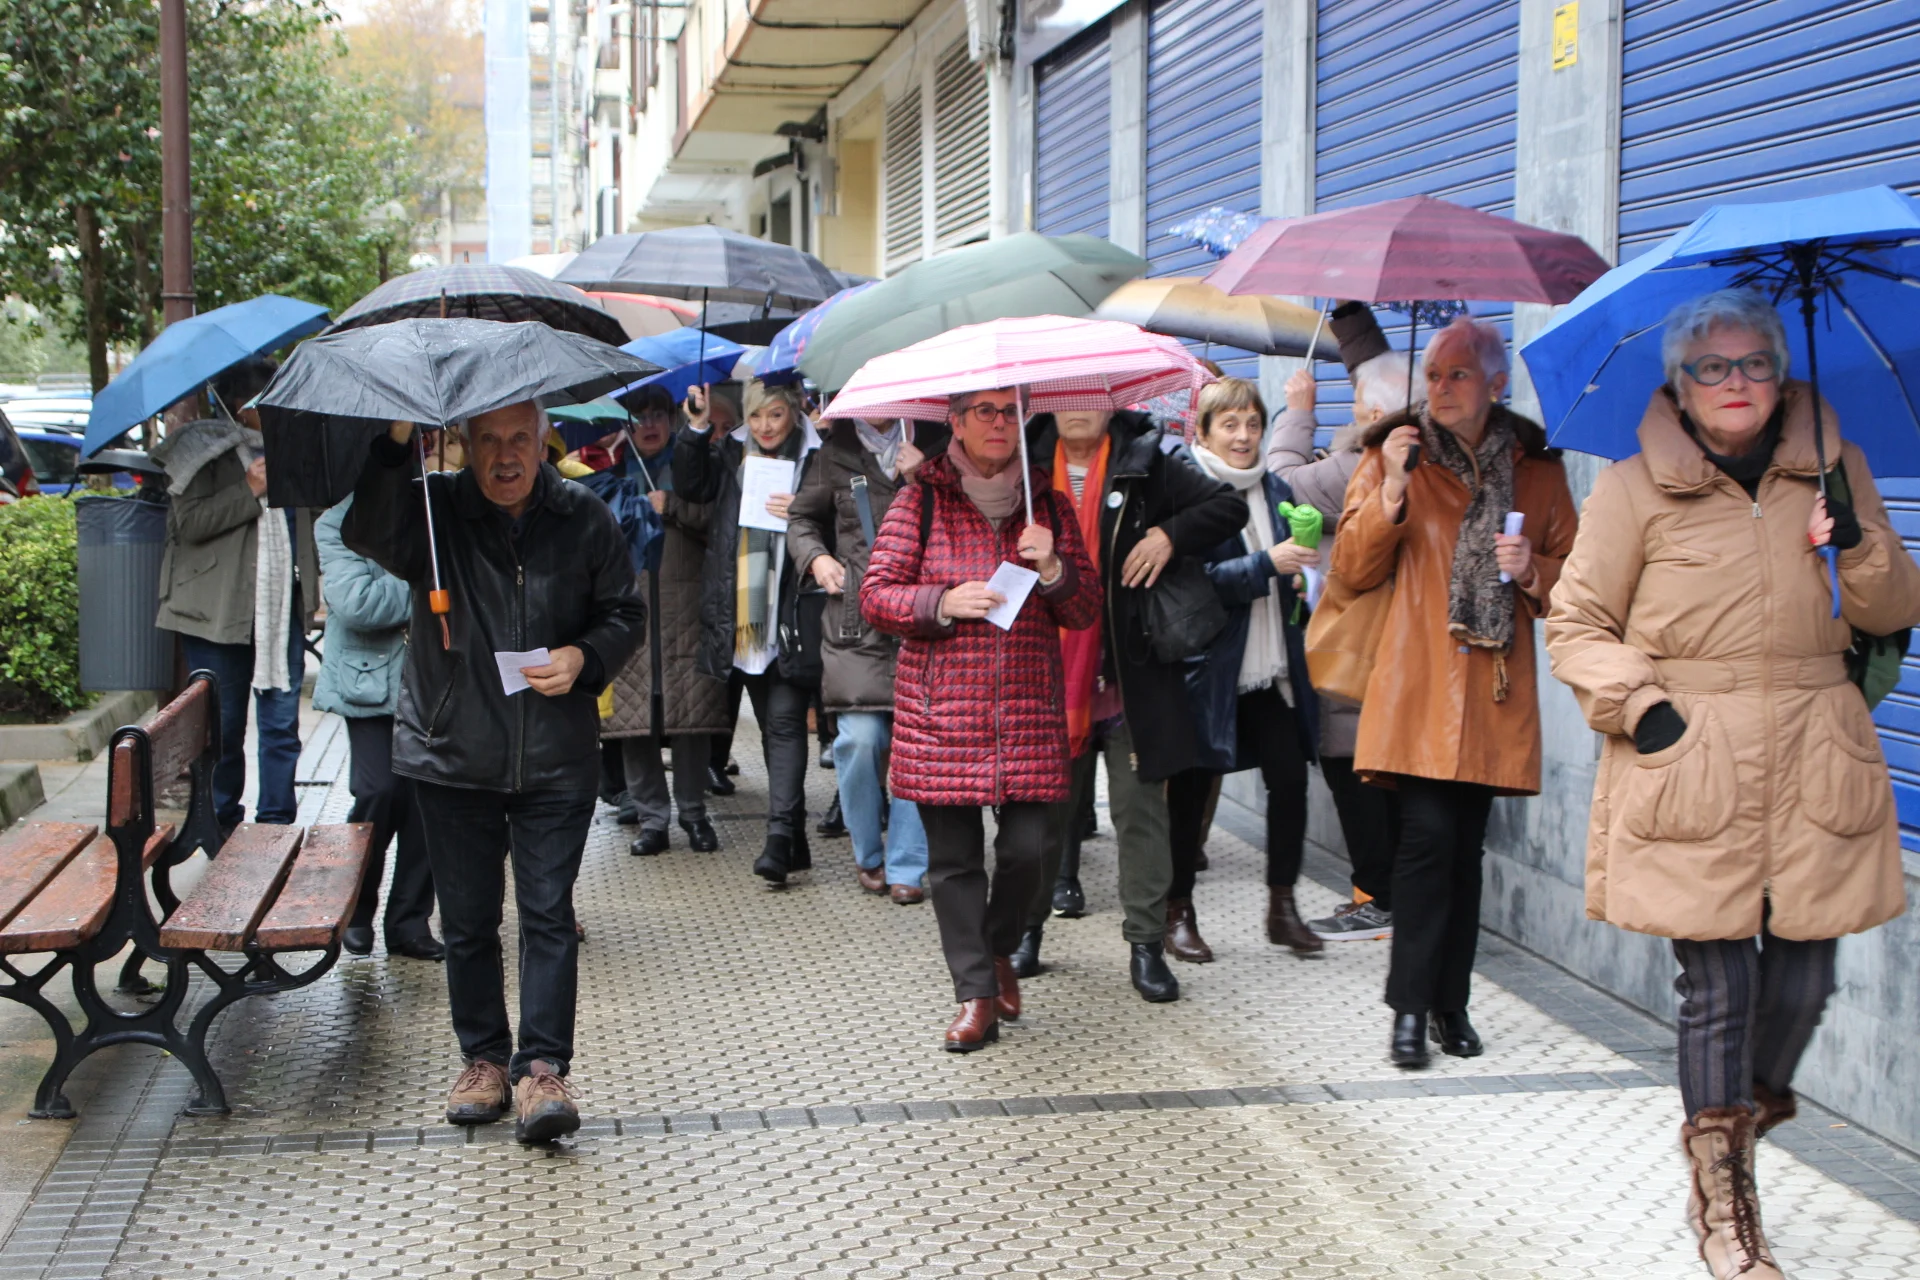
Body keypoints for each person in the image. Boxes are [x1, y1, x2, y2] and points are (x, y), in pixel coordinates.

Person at [1545, 289, 1920, 1280]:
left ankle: (1732, 1128)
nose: (1736, 382)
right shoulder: (1632, 489)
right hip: (1693, 761)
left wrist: (1855, 541)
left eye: (1754, 362)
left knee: (1803, 981)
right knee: (1719, 986)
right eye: (1712, 367)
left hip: (1814, 754)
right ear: (1680, 384)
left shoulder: (1836, 468)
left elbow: (1893, 609)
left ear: (1782, 375)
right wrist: (1644, 709)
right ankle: (1728, 1211)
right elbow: (1576, 624)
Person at [344, 402, 645, 1145]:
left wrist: (584, 657)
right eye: (488, 441)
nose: (505, 456)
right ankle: (482, 1061)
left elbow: (625, 613)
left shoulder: (583, 514)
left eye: (518, 438)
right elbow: (367, 530)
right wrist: (395, 437)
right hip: (452, 752)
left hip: (557, 755)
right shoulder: (434, 510)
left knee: (548, 915)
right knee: (468, 920)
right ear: (463, 444)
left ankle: (541, 1069)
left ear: (542, 440)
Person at [1333, 316, 1577, 1070]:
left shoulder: (1537, 471)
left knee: (1465, 851)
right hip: (1415, 684)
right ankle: (1410, 1011)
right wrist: (1393, 488)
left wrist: (1534, 569)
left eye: (1458, 374)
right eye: (1434, 374)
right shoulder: (1393, 454)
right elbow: (1350, 567)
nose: (1440, 387)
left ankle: (1450, 1004)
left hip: (1492, 688)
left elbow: (1581, 581)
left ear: (1496, 384)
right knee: (1426, 841)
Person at [861, 387, 1100, 1051]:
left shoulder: (1048, 504)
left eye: (1009, 412)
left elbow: (1084, 610)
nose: (999, 423)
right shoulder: (921, 500)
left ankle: (998, 950)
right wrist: (941, 602)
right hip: (941, 712)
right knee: (954, 863)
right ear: (957, 422)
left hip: (1026, 712)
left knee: (1032, 849)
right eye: (984, 412)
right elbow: (876, 596)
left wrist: (1052, 566)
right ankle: (975, 994)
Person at [1012, 404, 1246, 1000]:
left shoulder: (1146, 462)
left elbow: (1229, 507)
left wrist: (1170, 535)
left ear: (1111, 398)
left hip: (1130, 668)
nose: (1078, 409)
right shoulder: (1022, 465)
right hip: (1045, 672)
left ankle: (1146, 945)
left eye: (1090, 395)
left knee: (1141, 815)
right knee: (1042, 820)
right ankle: (1027, 931)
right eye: (1066, 396)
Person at [1267, 303, 1411, 943]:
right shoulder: (1429, 450)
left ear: (1373, 412)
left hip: (1356, 640)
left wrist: (1298, 411)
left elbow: (1279, 483)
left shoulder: (1363, 463)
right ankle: (1396, 895)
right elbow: (1382, 375)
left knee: (1352, 767)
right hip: (1405, 644)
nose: (1349, 407)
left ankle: (1381, 896)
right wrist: (1352, 320)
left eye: (1356, 399)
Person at [1167, 378, 1322, 962]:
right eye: (1229, 425)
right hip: (1206, 671)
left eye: (1253, 424)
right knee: (1189, 794)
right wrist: (1265, 565)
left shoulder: (1275, 488)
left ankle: (1283, 908)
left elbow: (1285, 572)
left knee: (1290, 779)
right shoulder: (1186, 490)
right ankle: (1177, 912)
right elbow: (1188, 587)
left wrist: (1302, 581)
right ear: (1203, 432)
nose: (1243, 437)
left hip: (1267, 668)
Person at [788, 415, 951, 905]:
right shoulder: (833, 453)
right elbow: (801, 520)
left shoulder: (939, 443)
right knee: (860, 739)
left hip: (924, 614)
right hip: (855, 621)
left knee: (916, 746)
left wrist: (929, 477)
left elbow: (965, 521)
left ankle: (907, 864)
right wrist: (816, 558)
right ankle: (867, 851)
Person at [152, 357, 319, 833]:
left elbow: (308, 522)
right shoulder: (197, 449)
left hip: (280, 609)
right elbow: (190, 525)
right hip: (215, 612)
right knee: (222, 727)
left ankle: (274, 827)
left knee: (281, 723)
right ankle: (220, 825)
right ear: (243, 406)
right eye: (272, 404)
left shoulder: (291, 450)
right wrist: (249, 488)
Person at [673, 379, 822, 884]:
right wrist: (695, 428)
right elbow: (690, 486)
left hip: (793, 606)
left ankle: (779, 838)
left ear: (794, 412)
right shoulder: (730, 453)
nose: (764, 426)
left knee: (784, 722)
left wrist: (803, 509)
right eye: (756, 416)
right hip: (745, 611)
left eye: (775, 415)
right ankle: (792, 835)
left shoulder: (817, 456)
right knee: (771, 721)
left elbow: (839, 513)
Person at [600, 386, 728, 856]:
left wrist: (670, 506)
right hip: (631, 609)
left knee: (690, 717)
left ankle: (694, 813)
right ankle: (652, 819)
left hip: (686, 607)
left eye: (658, 414)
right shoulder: (614, 477)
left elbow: (718, 520)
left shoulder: (693, 466)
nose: (649, 424)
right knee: (637, 722)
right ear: (626, 426)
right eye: (640, 417)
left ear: (672, 420)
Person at [312, 496, 441, 960]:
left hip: (433, 681)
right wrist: (429, 583)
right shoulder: (338, 522)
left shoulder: (434, 506)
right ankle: (356, 908)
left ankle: (409, 923)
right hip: (367, 684)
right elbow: (357, 604)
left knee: (427, 799)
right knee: (378, 792)